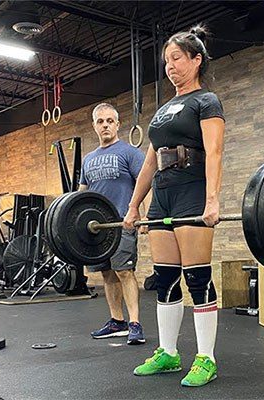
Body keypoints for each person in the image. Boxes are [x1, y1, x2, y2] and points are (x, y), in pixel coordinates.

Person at [123, 25, 225, 387]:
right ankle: (168, 353)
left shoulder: (206, 101)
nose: (170, 66)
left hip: (192, 188)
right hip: (163, 193)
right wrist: (134, 206)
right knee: (165, 277)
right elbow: (149, 163)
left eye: (177, 58)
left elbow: (213, 151)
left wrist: (212, 199)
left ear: (197, 60)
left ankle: (206, 358)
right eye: (167, 61)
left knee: (197, 277)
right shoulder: (163, 110)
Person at [80, 102, 147, 345]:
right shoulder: (88, 160)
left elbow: (143, 184)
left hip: (122, 222)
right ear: (94, 126)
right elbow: (82, 194)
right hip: (96, 228)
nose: (105, 125)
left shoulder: (130, 153)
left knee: (124, 272)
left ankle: (135, 324)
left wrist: (144, 215)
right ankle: (116, 321)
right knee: (107, 274)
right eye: (100, 121)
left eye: (110, 121)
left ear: (118, 124)